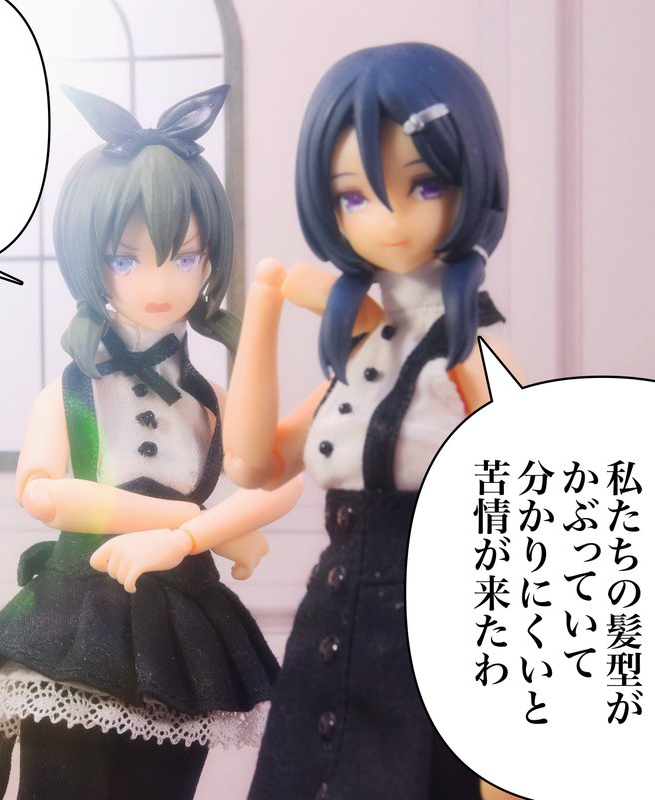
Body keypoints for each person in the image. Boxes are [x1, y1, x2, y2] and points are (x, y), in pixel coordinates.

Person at [0, 84, 302, 800]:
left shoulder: (210, 402)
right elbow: (41, 493)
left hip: (182, 627)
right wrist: (183, 520)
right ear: (90, 260)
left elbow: (274, 473)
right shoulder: (72, 392)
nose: (158, 282)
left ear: (210, 262)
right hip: (79, 615)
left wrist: (208, 533)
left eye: (184, 258)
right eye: (126, 259)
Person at [223, 43, 515, 799]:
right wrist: (263, 306)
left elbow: (522, 534)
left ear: (469, 180)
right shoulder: (364, 352)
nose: (388, 219)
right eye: (354, 196)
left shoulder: (471, 356)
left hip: (432, 649)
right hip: (327, 644)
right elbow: (254, 463)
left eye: (423, 185)